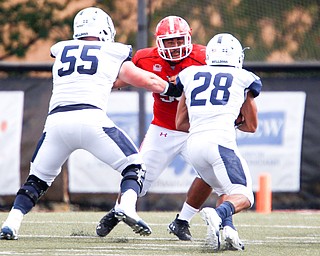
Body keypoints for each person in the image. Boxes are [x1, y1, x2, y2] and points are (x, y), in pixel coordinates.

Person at [0, 7, 175, 240]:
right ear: (104, 29)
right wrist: (171, 88)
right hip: (91, 120)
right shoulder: (111, 50)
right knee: (135, 166)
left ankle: (11, 223)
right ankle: (127, 207)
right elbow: (146, 79)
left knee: (37, 180)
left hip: (55, 124)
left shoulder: (62, 50)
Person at [96, 16, 243, 249]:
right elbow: (123, 77)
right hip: (162, 128)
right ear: (158, 42)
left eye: (178, 41)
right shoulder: (145, 57)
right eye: (169, 42)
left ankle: (183, 221)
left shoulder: (206, 56)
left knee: (216, 178)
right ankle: (119, 211)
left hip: (196, 129)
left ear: (189, 37)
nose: (174, 47)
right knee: (138, 179)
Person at [174, 33, 262, 250]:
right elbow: (251, 126)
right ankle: (218, 213)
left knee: (226, 188)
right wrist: (231, 122)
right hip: (219, 143)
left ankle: (228, 230)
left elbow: (180, 122)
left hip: (194, 145)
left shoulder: (190, 74)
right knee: (244, 196)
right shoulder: (244, 77)